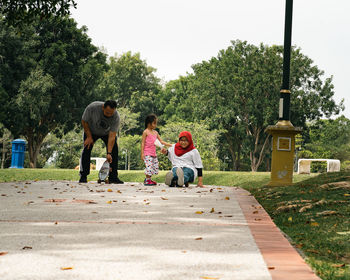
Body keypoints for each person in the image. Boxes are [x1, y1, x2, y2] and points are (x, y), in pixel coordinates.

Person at [79, 100, 123, 184]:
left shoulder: (116, 116)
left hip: (106, 133)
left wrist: (109, 153)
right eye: (107, 113)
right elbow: (84, 121)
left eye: (111, 113)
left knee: (114, 150)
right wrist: (89, 136)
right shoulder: (92, 107)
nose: (109, 115)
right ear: (103, 107)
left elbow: (112, 136)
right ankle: (83, 175)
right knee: (87, 149)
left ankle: (113, 177)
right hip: (91, 131)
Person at [141, 114, 172, 186]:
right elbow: (142, 143)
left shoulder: (155, 132)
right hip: (147, 153)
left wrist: (170, 145)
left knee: (154, 166)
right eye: (154, 123)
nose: (155, 125)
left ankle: (149, 179)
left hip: (153, 153)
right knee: (149, 166)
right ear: (149, 123)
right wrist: (142, 153)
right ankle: (147, 180)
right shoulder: (145, 132)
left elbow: (161, 142)